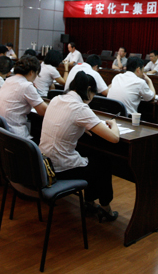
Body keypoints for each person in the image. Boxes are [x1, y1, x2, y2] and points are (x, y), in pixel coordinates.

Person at [39, 72, 120, 221]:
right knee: (103, 163)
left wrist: (83, 127)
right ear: (88, 90)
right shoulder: (80, 108)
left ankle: (90, 203)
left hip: (44, 163)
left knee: (91, 156)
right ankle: (105, 208)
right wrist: (113, 124)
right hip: (60, 168)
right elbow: (114, 138)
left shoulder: (57, 99)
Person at [0, 56, 47, 140]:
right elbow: (43, 111)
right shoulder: (26, 85)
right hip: (16, 137)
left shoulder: (8, 80)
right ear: (32, 72)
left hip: (1, 134)